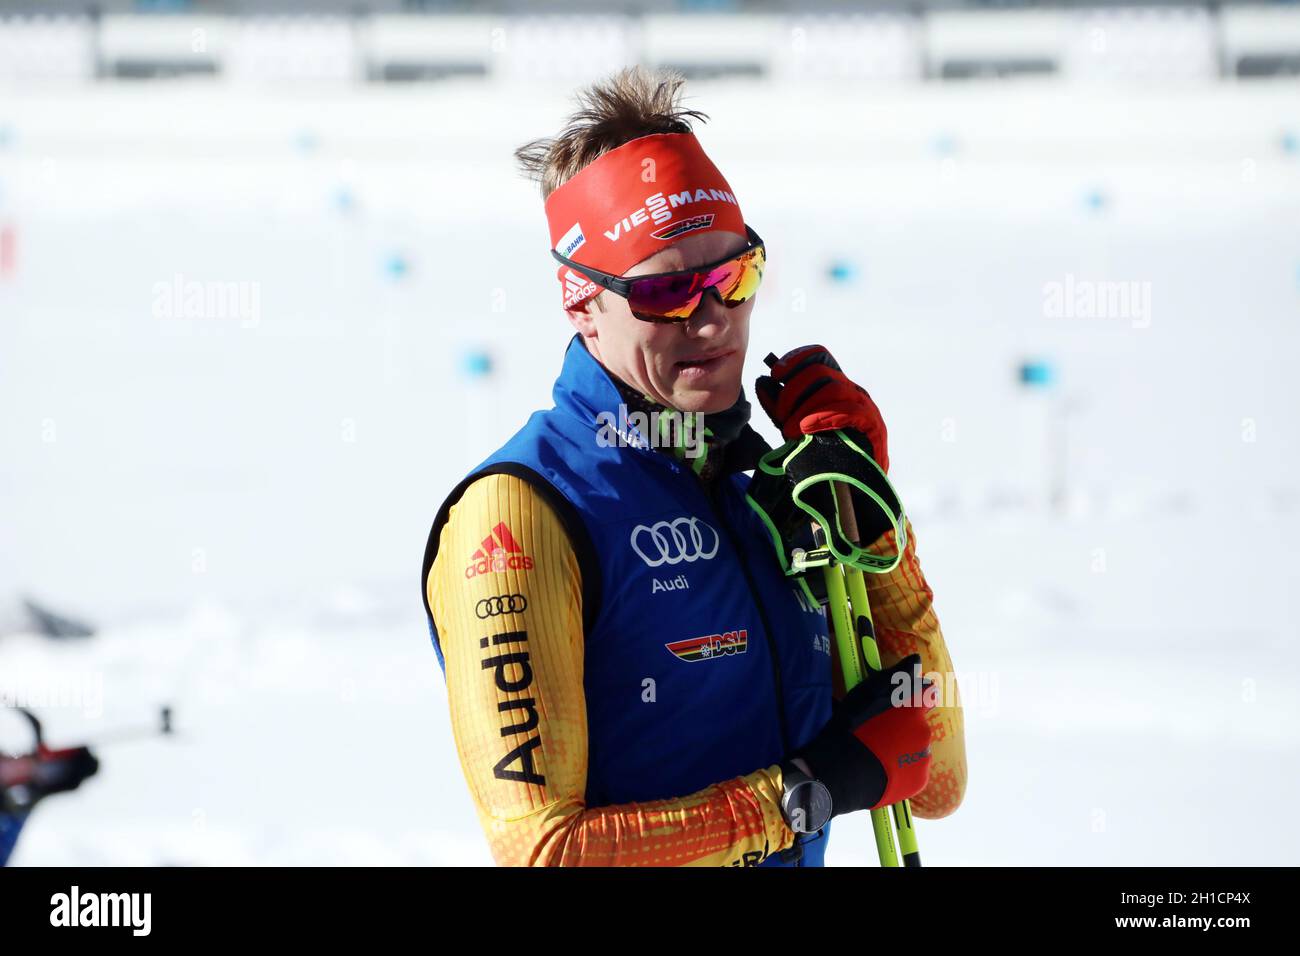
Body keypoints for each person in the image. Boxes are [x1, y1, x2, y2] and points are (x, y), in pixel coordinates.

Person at [421, 66, 966, 867]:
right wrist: (803, 792)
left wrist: (875, 525)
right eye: (669, 293)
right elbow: (541, 850)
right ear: (581, 300)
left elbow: (935, 778)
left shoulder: (772, 490)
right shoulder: (516, 516)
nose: (712, 323)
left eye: (734, 277)